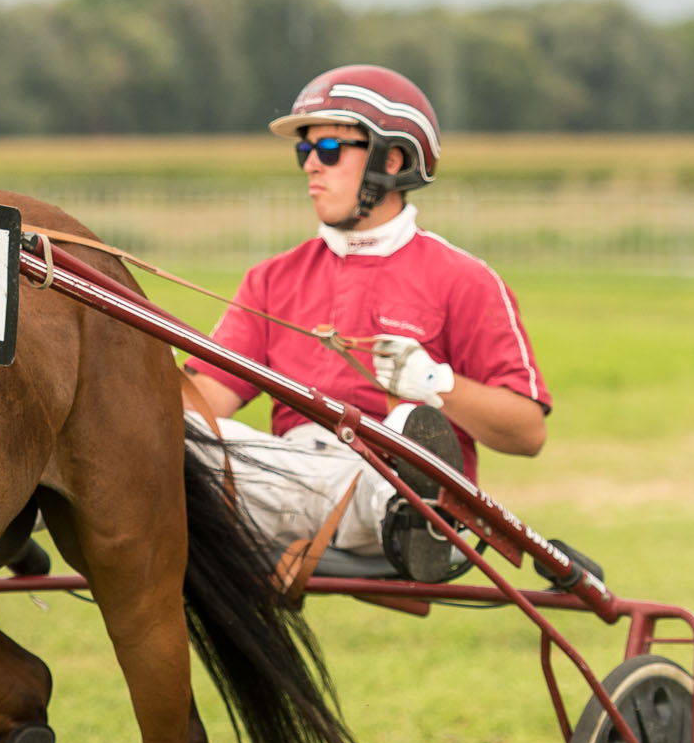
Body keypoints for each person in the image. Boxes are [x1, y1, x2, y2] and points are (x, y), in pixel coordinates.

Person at [182, 66, 550, 585]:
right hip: (286, 481)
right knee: (175, 438)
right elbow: (200, 407)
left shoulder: (464, 279)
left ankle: (412, 505)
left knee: (400, 444)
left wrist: (436, 385)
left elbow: (527, 433)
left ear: (391, 159)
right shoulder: (271, 278)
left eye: (329, 149)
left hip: (389, 474)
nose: (311, 166)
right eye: (303, 151)